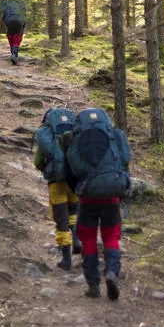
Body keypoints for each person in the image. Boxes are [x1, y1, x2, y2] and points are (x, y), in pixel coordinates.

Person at [64, 107, 131, 301]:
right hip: (112, 195)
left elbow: (71, 170)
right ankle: (111, 272)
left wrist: (78, 189)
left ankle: (93, 285)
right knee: (111, 236)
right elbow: (125, 159)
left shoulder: (75, 139)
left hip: (88, 197)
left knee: (88, 238)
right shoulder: (114, 135)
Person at [34, 107, 82, 270]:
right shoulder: (73, 129)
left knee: (61, 220)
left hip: (56, 182)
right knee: (73, 211)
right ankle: (76, 239)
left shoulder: (47, 134)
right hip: (74, 180)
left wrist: (48, 170)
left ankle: (66, 259)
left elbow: (38, 162)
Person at [0, 0, 27, 65]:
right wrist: (23, 26)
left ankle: (13, 54)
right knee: (17, 39)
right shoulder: (21, 3)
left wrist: (6, 24)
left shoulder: (7, 4)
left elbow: (3, 16)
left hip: (9, 22)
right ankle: (14, 55)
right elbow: (24, 15)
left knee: (11, 37)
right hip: (18, 22)